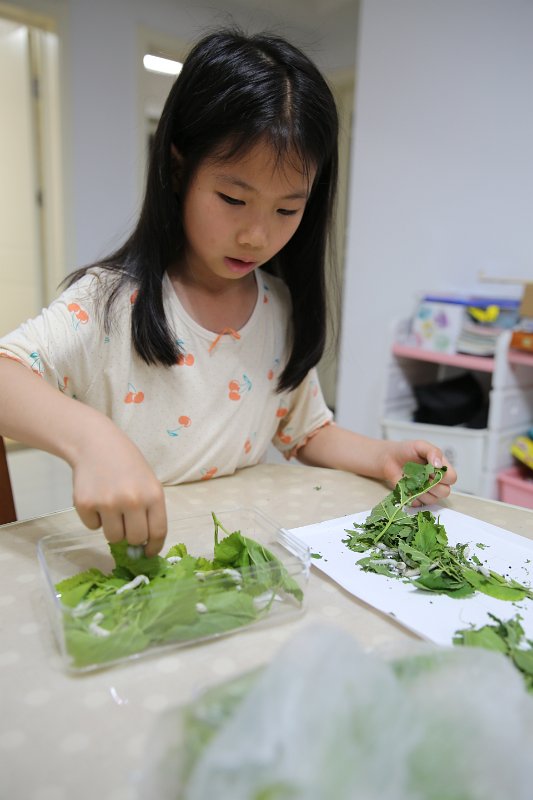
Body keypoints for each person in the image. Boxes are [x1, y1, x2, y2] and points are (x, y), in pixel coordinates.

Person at [0, 28, 456, 556]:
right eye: (233, 199)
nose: (257, 236)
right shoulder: (109, 303)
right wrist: (91, 439)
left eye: (286, 209)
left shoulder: (277, 307)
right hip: (138, 567)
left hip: (236, 563)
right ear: (178, 169)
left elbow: (306, 431)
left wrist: (382, 456)